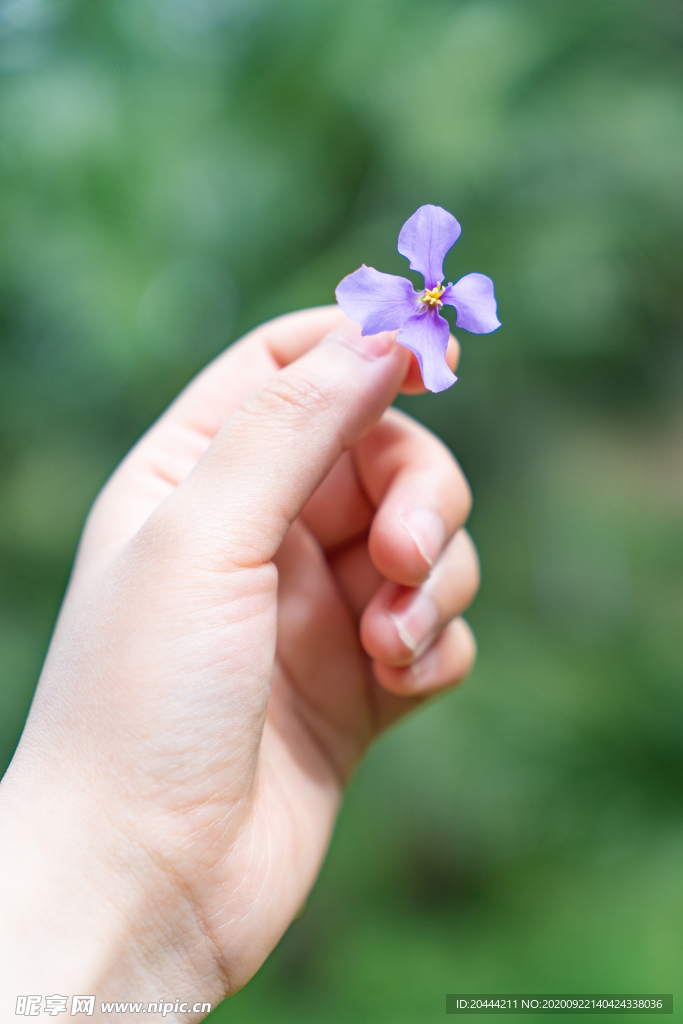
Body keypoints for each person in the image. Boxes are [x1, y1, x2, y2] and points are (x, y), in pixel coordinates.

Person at [0, 307, 479, 1019]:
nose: (431, 298)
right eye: (425, 296)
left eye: (436, 298)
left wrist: (131, 889)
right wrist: (124, 864)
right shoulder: (385, 319)